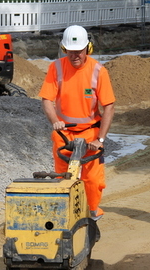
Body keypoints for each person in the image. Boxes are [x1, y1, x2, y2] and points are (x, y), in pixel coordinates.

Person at [38, 25, 115, 221]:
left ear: (87, 49)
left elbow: (109, 107)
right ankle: (64, 212)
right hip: (64, 133)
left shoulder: (99, 71)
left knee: (92, 179)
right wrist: (55, 121)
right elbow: (47, 100)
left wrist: (101, 139)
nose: (75, 56)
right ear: (65, 50)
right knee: (62, 176)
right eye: (71, 52)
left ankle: (92, 211)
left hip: (90, 133)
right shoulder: (55, 68)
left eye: (79, 52)